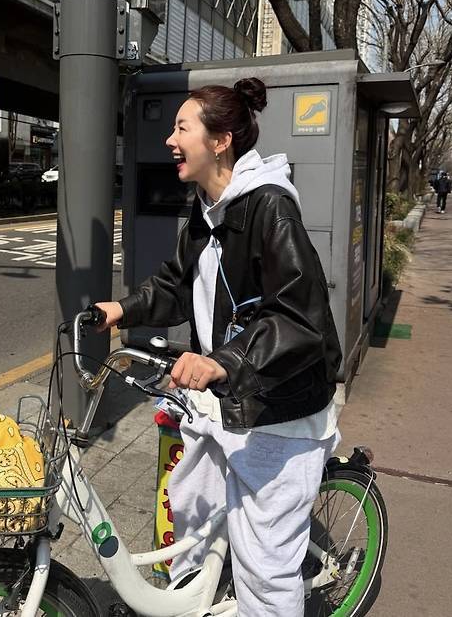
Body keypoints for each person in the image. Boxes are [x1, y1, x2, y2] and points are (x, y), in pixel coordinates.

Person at [95, 78, 342, 616]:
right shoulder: (207, 208)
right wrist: (120, 310)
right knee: (191, 512)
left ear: (221, 140)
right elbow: (176, 285)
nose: (170, 140)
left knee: (265, 568)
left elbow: (299, 318)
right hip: (224, 398)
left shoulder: (271, 207)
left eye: (182, 128)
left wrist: (221, 362)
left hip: (276, 407)